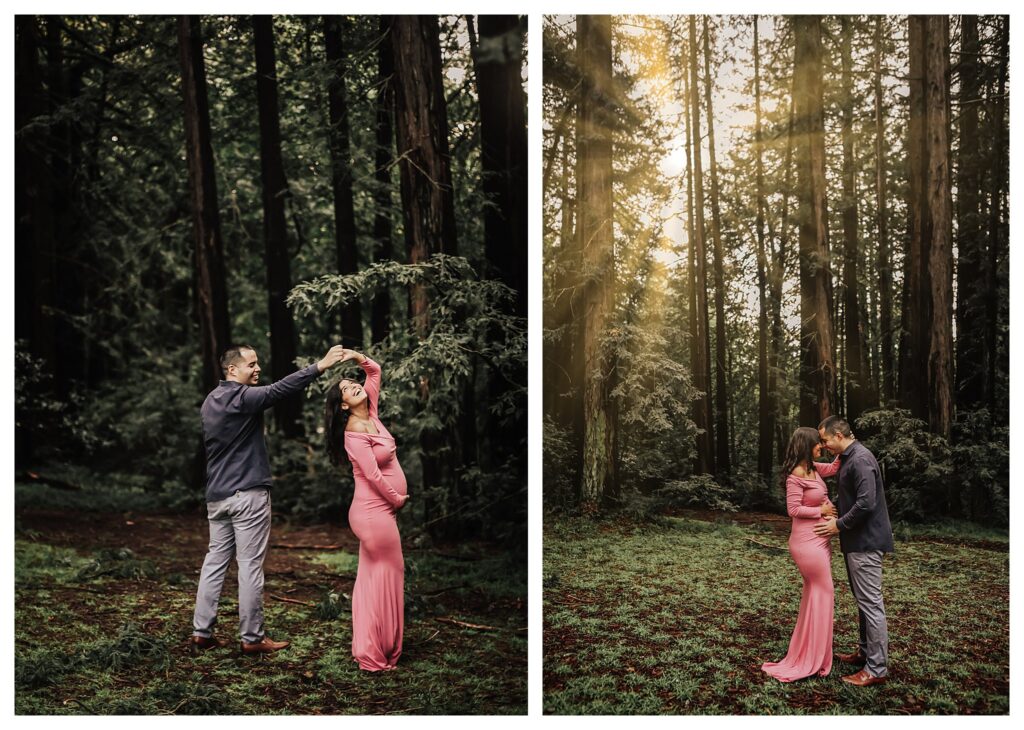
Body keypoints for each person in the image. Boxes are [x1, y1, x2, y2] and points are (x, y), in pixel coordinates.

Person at [191, 343, 347, 654]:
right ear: (232, 370)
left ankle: (201, 633)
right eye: (251, 364)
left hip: (217, 498)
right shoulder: (242, 397)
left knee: (214, 563)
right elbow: (278, 390)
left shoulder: (211, 401)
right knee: (249, 566)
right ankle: (252, 638)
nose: (257, 368)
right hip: (247, 495)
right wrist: (320, 366)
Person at [324, 349, 409, 671]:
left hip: (379, 512)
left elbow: (374, 372)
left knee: (378, 579)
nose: (354, 386)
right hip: (373, 512)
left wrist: (355, 356)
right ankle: (374, 652)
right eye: (346, 388)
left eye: (352, 383)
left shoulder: (371, 413)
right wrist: (396, 500)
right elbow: (372, 476)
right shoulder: (353, 433)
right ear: (343, 404)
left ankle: (376, 648)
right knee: (385, 577)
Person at [813, 414, 894, 686]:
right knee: (863, 601)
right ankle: (864, 652)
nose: (823, 446)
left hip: (866, 542)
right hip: (855, 542)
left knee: (871, 604)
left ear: (839, 435)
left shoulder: (860, 459)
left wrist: (838, 525)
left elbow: (866, 504)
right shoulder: (849, 458)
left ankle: (876, 669)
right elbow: (849, 498)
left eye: (825, 440)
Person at [762, 427, 841, 682]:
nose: (821, 446)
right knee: (824, 592)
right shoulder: (795, 475)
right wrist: (822, 511)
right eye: (818, 444)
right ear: (806, 445)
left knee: (815, 595)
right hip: (807, 544)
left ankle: (810, 651)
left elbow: (835, 467)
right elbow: (793, 509)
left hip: (820, 542)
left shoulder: (815, 468)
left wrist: (843, 441)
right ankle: (813, 657)